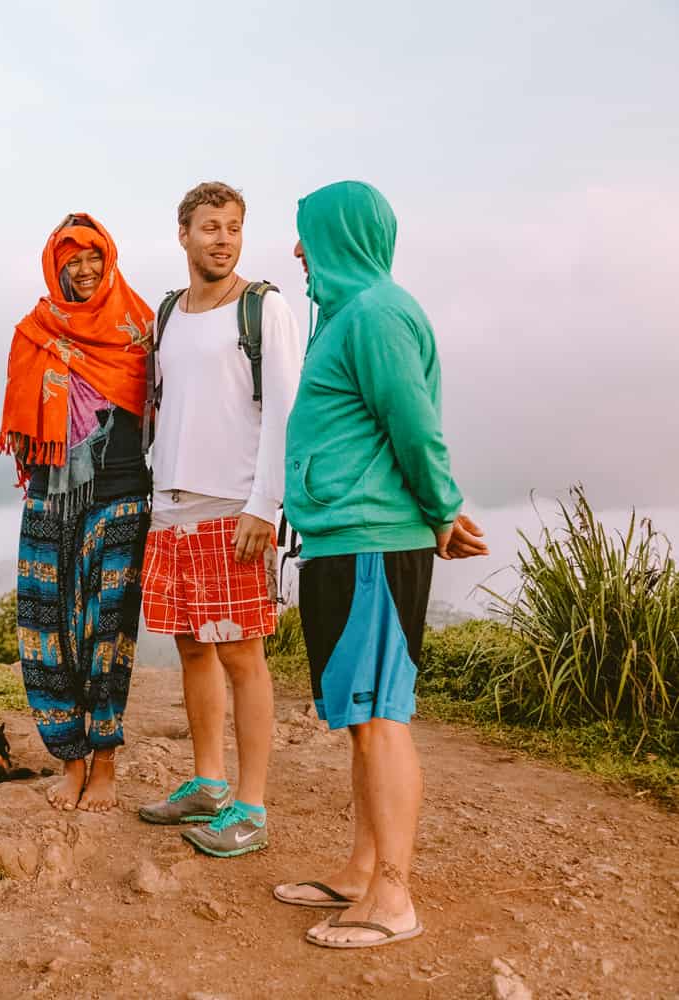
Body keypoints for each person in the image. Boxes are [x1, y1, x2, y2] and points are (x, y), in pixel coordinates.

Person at [272, 180, 488, 949]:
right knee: (361, 721)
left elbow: (413, 423)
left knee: (381, 718)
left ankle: (393, 897)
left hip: (372, 544)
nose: (297, 250)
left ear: (340, 234)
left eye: (306, 234)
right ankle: (364, 870)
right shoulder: (346, 317)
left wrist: (441, 511)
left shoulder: (376, 314)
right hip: (342, 542)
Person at [135, 182, 303, 857]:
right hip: (170, 507)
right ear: (183, 233)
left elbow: (287, 413)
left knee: (242, 654)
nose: (223, 238)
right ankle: (207, 782)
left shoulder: (264, 309)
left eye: (233, 226)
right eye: (210, 226)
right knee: (191, 646)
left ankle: (252, 808)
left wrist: (266, 505)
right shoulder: (168, 312)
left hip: (235, 508)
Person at [0, 212, 153, 812]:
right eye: (71, 260)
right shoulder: (33, 332)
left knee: (107, 634)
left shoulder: (139, 328)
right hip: (48, 496)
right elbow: (20, 413)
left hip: (118, 495)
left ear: (109, 259)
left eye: (93, 257)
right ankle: (71, 760)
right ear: (54, 267)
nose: (84, 270)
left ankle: (106, 761)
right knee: (47, 631)